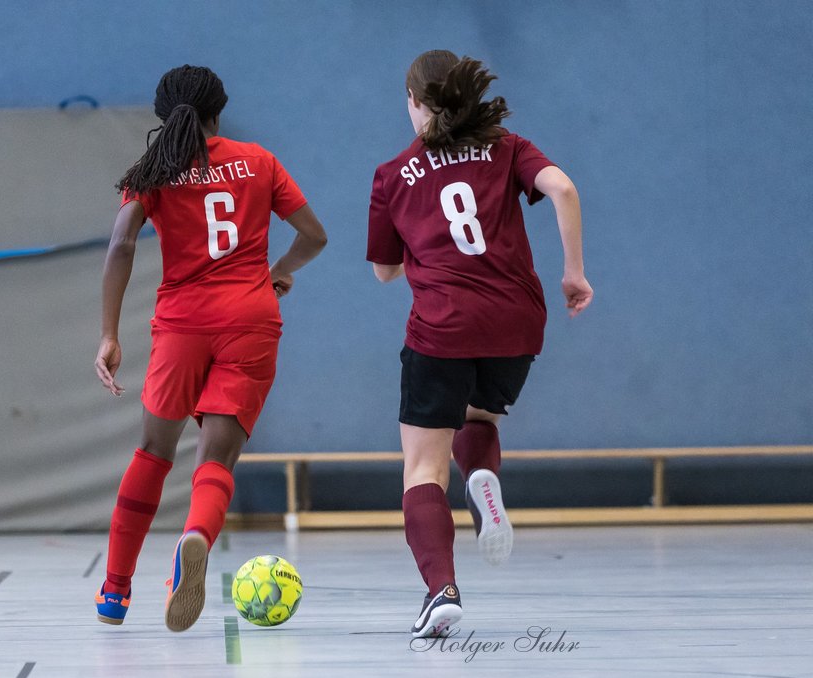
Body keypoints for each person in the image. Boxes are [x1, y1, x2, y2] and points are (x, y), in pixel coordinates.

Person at [366, 50, 593, 639]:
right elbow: (563, 188)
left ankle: (441, 590)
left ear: (415, 104)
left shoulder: (394, 174)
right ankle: (482, 482)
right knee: (479, 415)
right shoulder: (508, 146)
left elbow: (385, 272)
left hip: (441, 326)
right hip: (517, 323)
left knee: (422, 467)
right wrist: (574, 272)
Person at [94, 65, 327, 632]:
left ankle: (114, 592)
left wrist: (109, 332)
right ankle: (195, 537)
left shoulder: (154, 171)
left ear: (163, 116)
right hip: (251, 318)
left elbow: (122, 245)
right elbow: (314, 236)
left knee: (153, 452)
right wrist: (278, 272)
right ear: (219, 113)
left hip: (182, 325)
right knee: (216, 458)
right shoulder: (259, 160)